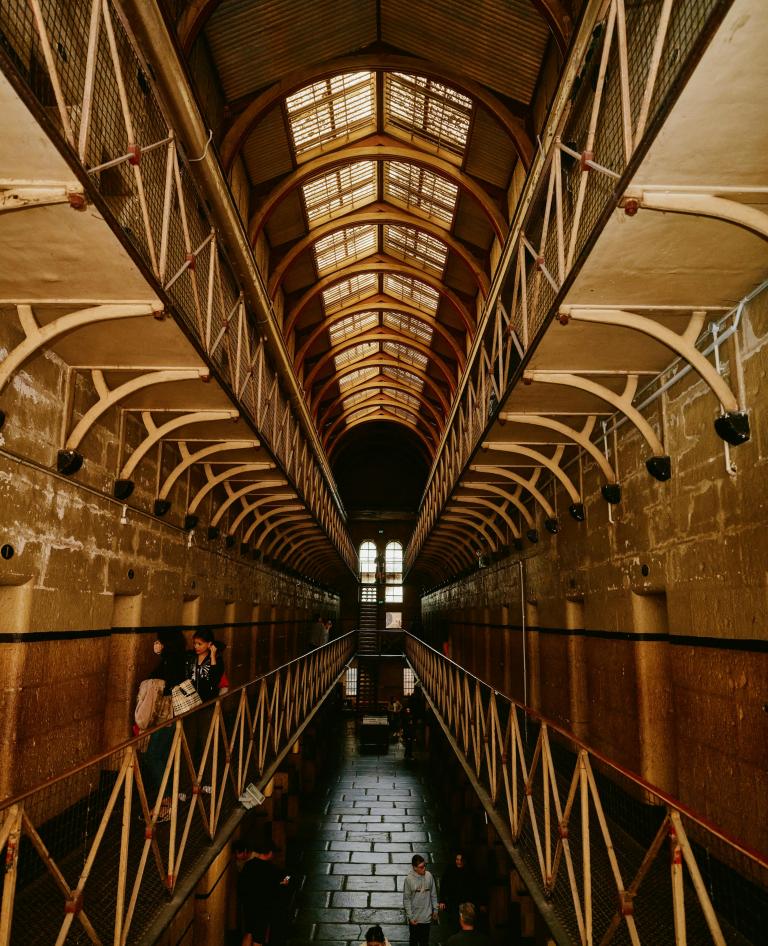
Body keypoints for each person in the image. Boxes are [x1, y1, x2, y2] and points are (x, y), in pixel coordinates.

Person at [143, 629, 187, 820]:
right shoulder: (177, 659)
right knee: (163, 756)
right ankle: (169, 798)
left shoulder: (171, 662)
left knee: (152, 756)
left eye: (160, 641)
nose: (157, 644)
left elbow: (161, 683)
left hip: (165, 716)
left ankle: (167, 803)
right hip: (173, 716)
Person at [236, 839, 289, 946]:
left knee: (249, 933)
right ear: (269, 853)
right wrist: (285, 881)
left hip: (248, 906)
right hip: (263, 908)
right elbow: (278, 887)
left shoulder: (248, 865)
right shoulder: (272, 870)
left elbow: (241, 886)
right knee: (258, 939)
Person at [439, 852, 479, 940]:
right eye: (457, 859)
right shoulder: (450, 870)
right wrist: (442, 900)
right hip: (454, 902)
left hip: (466, 902)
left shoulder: (470, 871)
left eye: (461, 860)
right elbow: (443, 885)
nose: (459, 862)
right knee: (454, 924)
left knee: (468, 922)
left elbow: (476, 887)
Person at [403, 854, 437, 946]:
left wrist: (435, 910)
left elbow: (433, 894)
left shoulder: (429, 876)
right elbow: (406, 899)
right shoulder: (409, 879)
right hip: (415, 919)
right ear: (414, 868)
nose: (424, 869)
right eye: (421, 867)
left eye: (424, 866)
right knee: (413, 941)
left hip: (427, 918)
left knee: (424, 942)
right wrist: (410, 917)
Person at [185, 628, 224, 700]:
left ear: (209, 644)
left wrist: (212, 655)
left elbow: (214, 680)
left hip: (208, 700)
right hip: (190, 700)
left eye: (199, 644)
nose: (196, 646)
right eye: (194, 643)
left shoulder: (217, 659)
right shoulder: (191, 657)